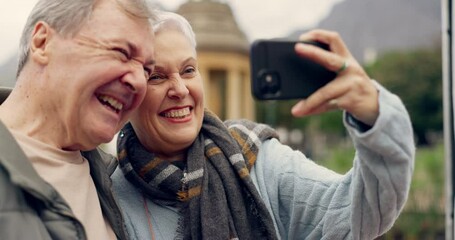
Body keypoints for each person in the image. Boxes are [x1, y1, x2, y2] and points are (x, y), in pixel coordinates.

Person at [111, 11, 415, 240]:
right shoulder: (106, 193)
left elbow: (359, 213)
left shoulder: (259, 162)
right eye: (157, 76)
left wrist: (373, 114)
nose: (179, 89)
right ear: (130, 91)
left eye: (188, 70)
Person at [0, 0, 156, 239]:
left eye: (147, 71)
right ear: (43, 42)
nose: (139, 82)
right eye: (121, 53)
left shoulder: (116, 182)